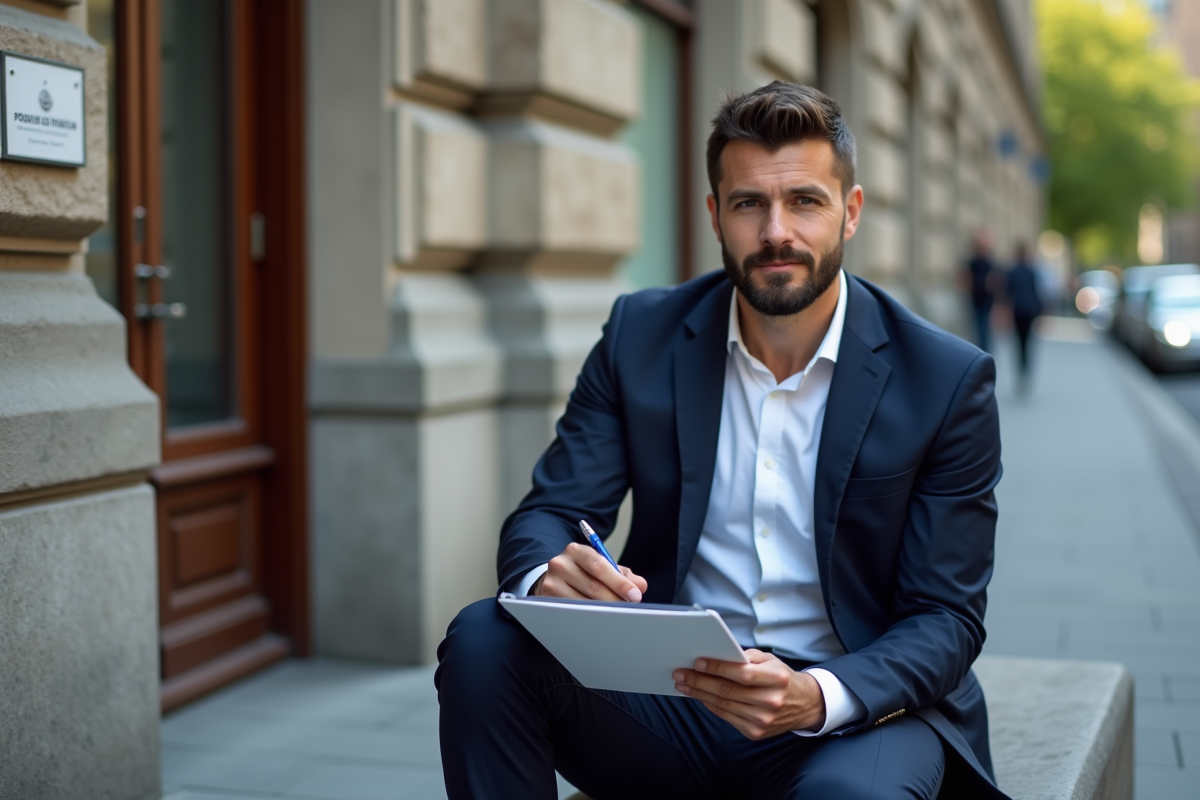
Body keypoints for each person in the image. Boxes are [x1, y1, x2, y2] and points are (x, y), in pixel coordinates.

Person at [436, 81, 1006, 800]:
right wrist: (547, 575)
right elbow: (549, 510)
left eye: (804, 200)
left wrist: (815, 695)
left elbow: (946, 618)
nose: (776, 232)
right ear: (715, 214)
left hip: (849, 715)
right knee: (485, 640)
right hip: (671, 695)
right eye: (748, 204)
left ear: (850, 212)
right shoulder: (640, 337)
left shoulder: (945, 380)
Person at [1006, 243, 1043, 390]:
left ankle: (1021, 371)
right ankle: (1025, 371)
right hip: (1029, 310)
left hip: (1017, 310)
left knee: (1018, 342)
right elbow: (1036, 293)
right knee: (1027, 342)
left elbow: (1008, 294)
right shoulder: (1031, 271)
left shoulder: (1013, 272)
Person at [965, 231, 997, 352]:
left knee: (984, 325)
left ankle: (985, 349)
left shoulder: (990, 262)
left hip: (987, 298)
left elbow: (996, 279)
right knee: (978, 324)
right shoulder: (973, 262)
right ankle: (980, 348)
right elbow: (966, 277)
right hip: (975, 297)